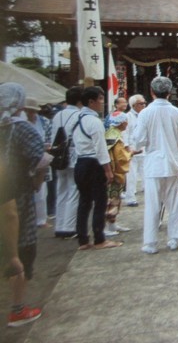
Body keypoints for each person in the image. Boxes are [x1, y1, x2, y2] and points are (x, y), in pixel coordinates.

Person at [0, 83, 45, 326]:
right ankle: (17, 307)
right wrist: (38, 181)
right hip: (17, 193)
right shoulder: (21, 128)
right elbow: (40, 159)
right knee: (21, 245)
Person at [131, 77, 178, 254]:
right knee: (174, 202)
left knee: (152, 204)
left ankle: (150, 242)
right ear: (169, 92)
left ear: (152, 92)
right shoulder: (177, 112)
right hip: (172, 162)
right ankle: (175, 238)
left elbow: (139, 140)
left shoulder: (145, 113)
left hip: (153, 163)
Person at [73, 86, 122, 250]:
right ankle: (99, 238)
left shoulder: (77, 119)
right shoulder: (94, 122)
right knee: (100, 201)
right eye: (100, 99)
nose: (102, 102)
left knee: (84, 202)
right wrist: (108, 170)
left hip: (80, 162)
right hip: (94, 163)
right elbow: (101, 149)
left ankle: (83, 239)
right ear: (91, 102)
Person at [51, 86, 82, 238]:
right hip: (73, 156)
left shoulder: (58, 115)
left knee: (61, 189)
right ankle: (69, 227)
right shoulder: (79, 115)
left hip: (58, 156)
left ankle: (59, 225)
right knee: (74, 189)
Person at [23, 97, 52, 228]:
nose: (30, 113)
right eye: (28, 110)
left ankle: (41, 219)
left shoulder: (44, 122)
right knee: (27, 191)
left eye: (32, 111)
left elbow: (50, 139)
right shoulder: (22, 123)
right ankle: (30, 219)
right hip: (26, 160)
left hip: (41, 158)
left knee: (42, 192)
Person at [104, 112, 132, 236]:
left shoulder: (112, 133)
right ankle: (106, 226)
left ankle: (112, 223)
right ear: (121, 122)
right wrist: (131, 153)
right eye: (125, 121)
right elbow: (120, 157)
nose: (127, 123)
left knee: (115, 198)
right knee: (111, 199)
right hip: (114, 172)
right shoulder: (115, 136)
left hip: (114, 171)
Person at [123, 94, 146, 207]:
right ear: (133, 105)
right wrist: (127, 148)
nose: (143, 105)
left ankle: (147, 192)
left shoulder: (145, 115)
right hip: (132, 150)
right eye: (141, 104)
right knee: (131, 176)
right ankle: (130, 198)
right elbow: (125, 133)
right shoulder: (127, 117)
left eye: (144, 103)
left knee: (146, 173)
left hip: (144, 149)